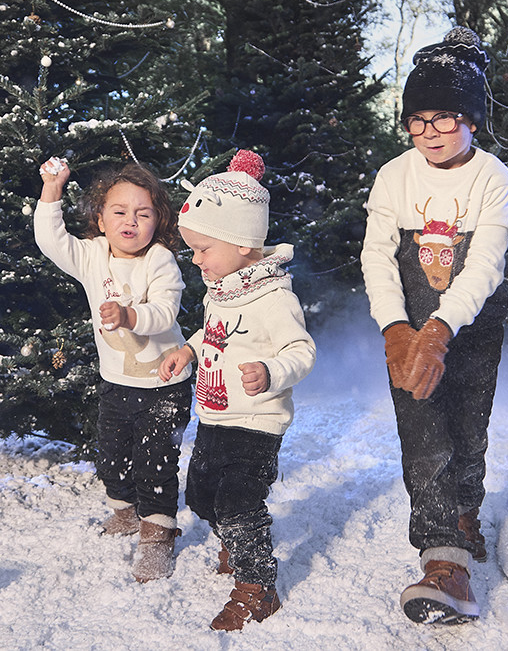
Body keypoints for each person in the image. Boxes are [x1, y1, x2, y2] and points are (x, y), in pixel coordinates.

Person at [361, 27, 508, 624]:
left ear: (473, 119)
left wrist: (441, 329)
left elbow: (485, 263)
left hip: (472, 320)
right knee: (421, 427)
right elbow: (377, 255)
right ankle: (443, 560)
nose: (429, 132)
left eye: (445, 117)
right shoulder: (394, 175)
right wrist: (397, 329)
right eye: (417, 119)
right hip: (404, 320)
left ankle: (465, 512)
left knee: (466, 423)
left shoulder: (491, 177)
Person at [158, 149, 315, 632]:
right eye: (193, 250)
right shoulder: (225, 289)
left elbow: (302, 350)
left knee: (239, 498)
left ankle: (257, 584)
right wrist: (188, 349)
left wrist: (270, 370)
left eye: (204, 249)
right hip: (216, 414)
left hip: (257, 420)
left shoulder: (274, 298)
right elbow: (216, 332)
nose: (197, 259)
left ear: (244, 245)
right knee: (203, 494)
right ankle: (232, 535)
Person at [34, 157, 191, 582]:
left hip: (164, 383)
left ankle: (157, 533)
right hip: (115, 382)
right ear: (100, 219)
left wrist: (128, 316)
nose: (130, 221)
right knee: (113, 456)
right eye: (119, 212)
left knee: (156, 461)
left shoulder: (159, 260)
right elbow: (51, 240)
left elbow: (164, 311)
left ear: (158, 221)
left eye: (143, 213)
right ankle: (125, 511)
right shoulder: (91, 256)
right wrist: (52, 189)